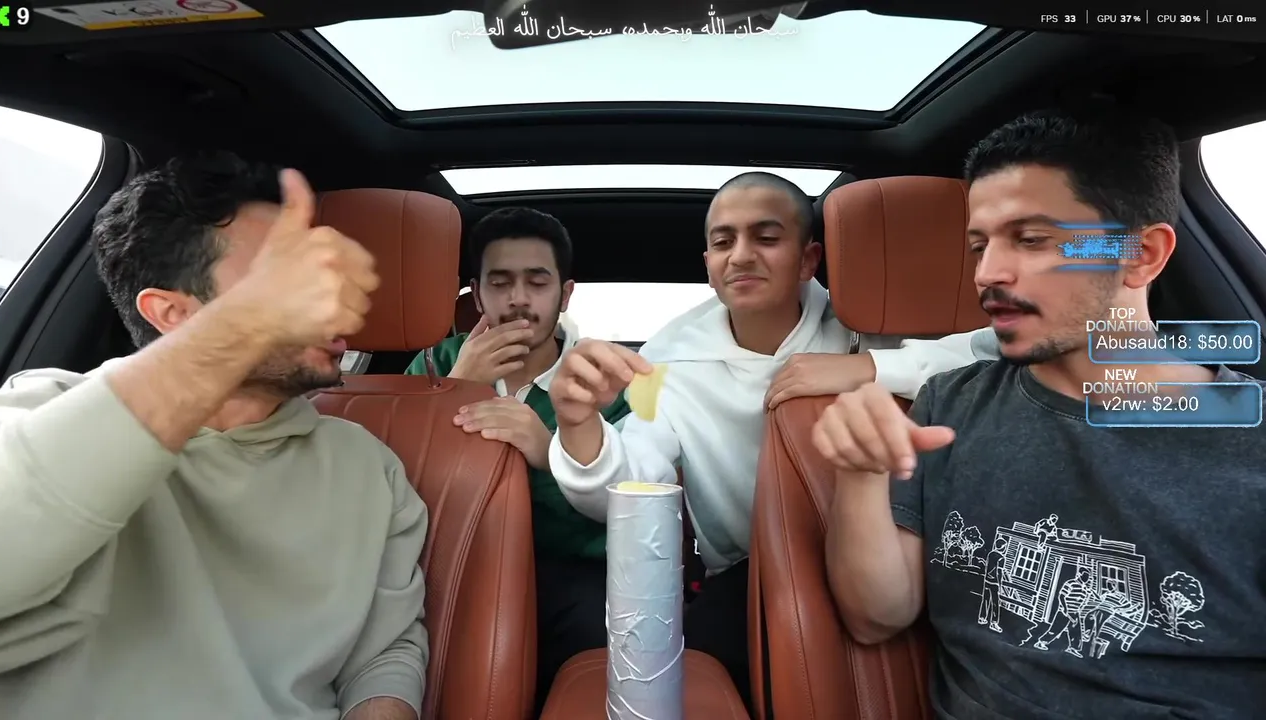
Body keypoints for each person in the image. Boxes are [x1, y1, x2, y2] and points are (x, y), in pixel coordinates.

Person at [816, 107, 1265, 718]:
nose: (987, 273)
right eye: (980, 245)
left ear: (1141, 255)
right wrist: (860, 474)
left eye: (1032, 240)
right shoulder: (947, 408)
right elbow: (876, 618)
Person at [0, 153, 428, 720]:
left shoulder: (367, 466)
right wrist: (222, 345)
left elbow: (385, 654)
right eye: (280, 277)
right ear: (172, 313)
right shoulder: (44, 414)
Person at [544, 171, 1001, 707]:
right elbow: (638, 480)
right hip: (751, 574)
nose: (741, 256)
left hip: (912, 549)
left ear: (808, 260)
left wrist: (871, 367)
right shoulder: (665, 361)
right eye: (723, 242)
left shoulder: (870, 320)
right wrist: (579, 426)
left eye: (765, 237)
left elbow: (1001, 349)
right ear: (709, 267)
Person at [405, 206, 629, 708]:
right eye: (500, 282)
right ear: (476, 293)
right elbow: (398, 488)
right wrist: (459, 388)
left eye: (537, 281)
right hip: (448, 565)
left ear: (565, 294)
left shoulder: (604, 378)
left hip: (573, 575)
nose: (519, 299)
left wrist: (550, 453)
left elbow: (626, 510)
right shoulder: (433, 365)